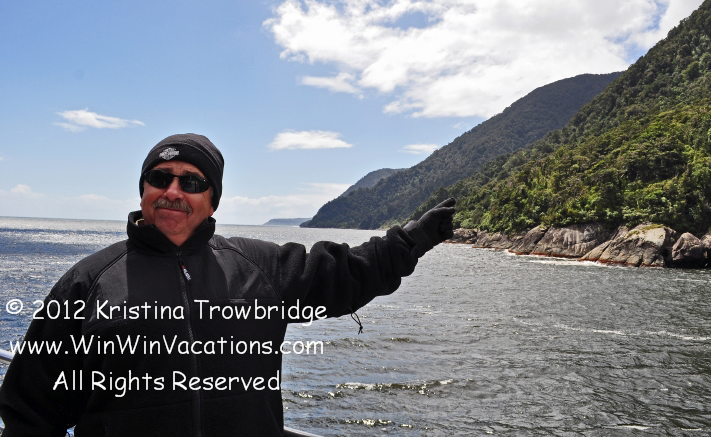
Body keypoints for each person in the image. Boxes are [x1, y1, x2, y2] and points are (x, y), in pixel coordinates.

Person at [0, 133, 455, 437]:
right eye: (160, 178)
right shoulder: (88, 283)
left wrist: (411, 240)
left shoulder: (259, 266)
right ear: (143, 191)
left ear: (212, 199)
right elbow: (30, 410)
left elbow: (345, 272)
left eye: (191, 182)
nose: (173, 191)